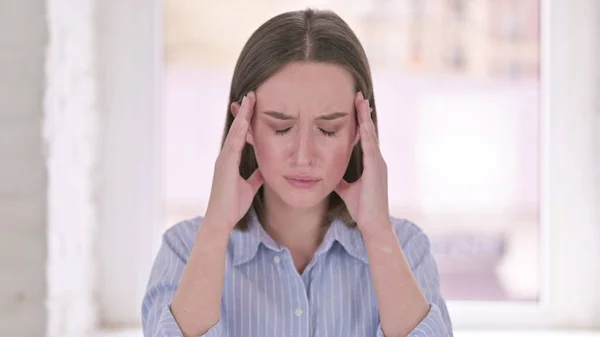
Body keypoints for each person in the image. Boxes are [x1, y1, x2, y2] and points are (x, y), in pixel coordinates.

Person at [142, 8, 453, 337]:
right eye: (281, 127)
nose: (304, 156)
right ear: (244, 125)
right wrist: (216, 226)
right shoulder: (184, 249)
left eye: (329, 129)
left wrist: (377, 231)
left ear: (360, 130)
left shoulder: (406, 248)